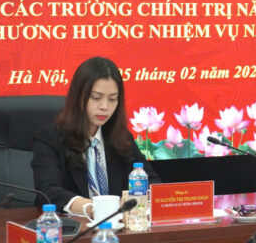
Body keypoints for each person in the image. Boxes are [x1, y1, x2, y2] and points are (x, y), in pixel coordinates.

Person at [31, 56, 160, 214]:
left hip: (118, 226)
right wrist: (97, 208)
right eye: (96, 98)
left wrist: (138, 200)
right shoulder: (49, 138)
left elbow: (152, 182)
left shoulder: (121, 138)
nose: (104, 106)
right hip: (74, 226)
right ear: (78, 97)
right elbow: (49, 192)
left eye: (112, 99)